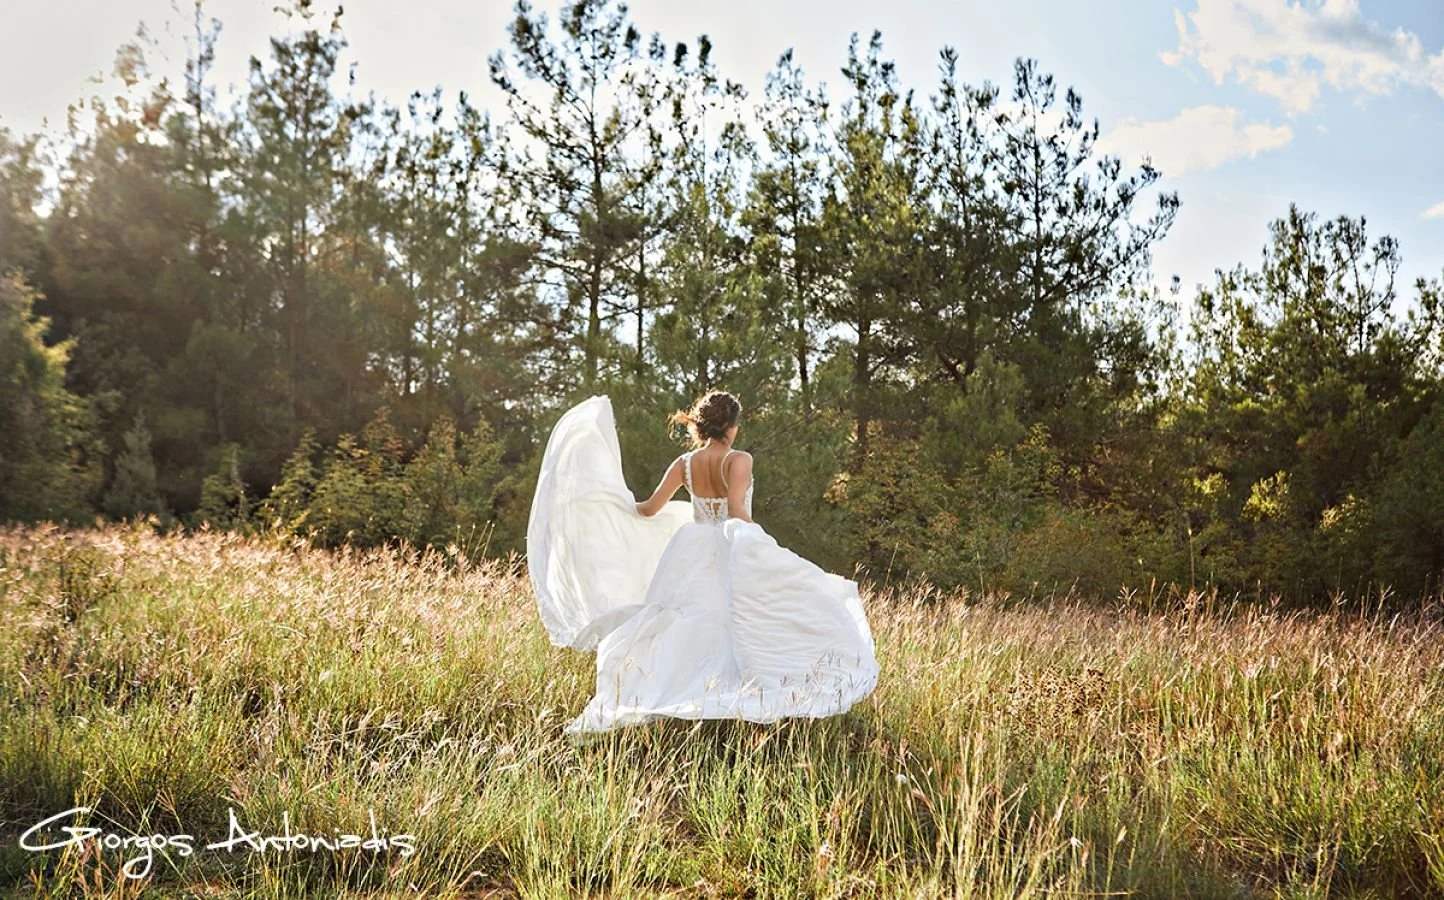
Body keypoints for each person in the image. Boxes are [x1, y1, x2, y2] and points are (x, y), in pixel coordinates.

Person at [527, 390, 880, 742]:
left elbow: (648, 509)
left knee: (693, 619)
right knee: (740, 617)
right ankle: (733, 695)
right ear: (731, 426)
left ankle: (682, 693)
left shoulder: (684, 464)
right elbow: (738, 512)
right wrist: (762, 546)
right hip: (728, 545)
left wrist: (612, 502)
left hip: (691, 547)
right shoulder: (739, 460)